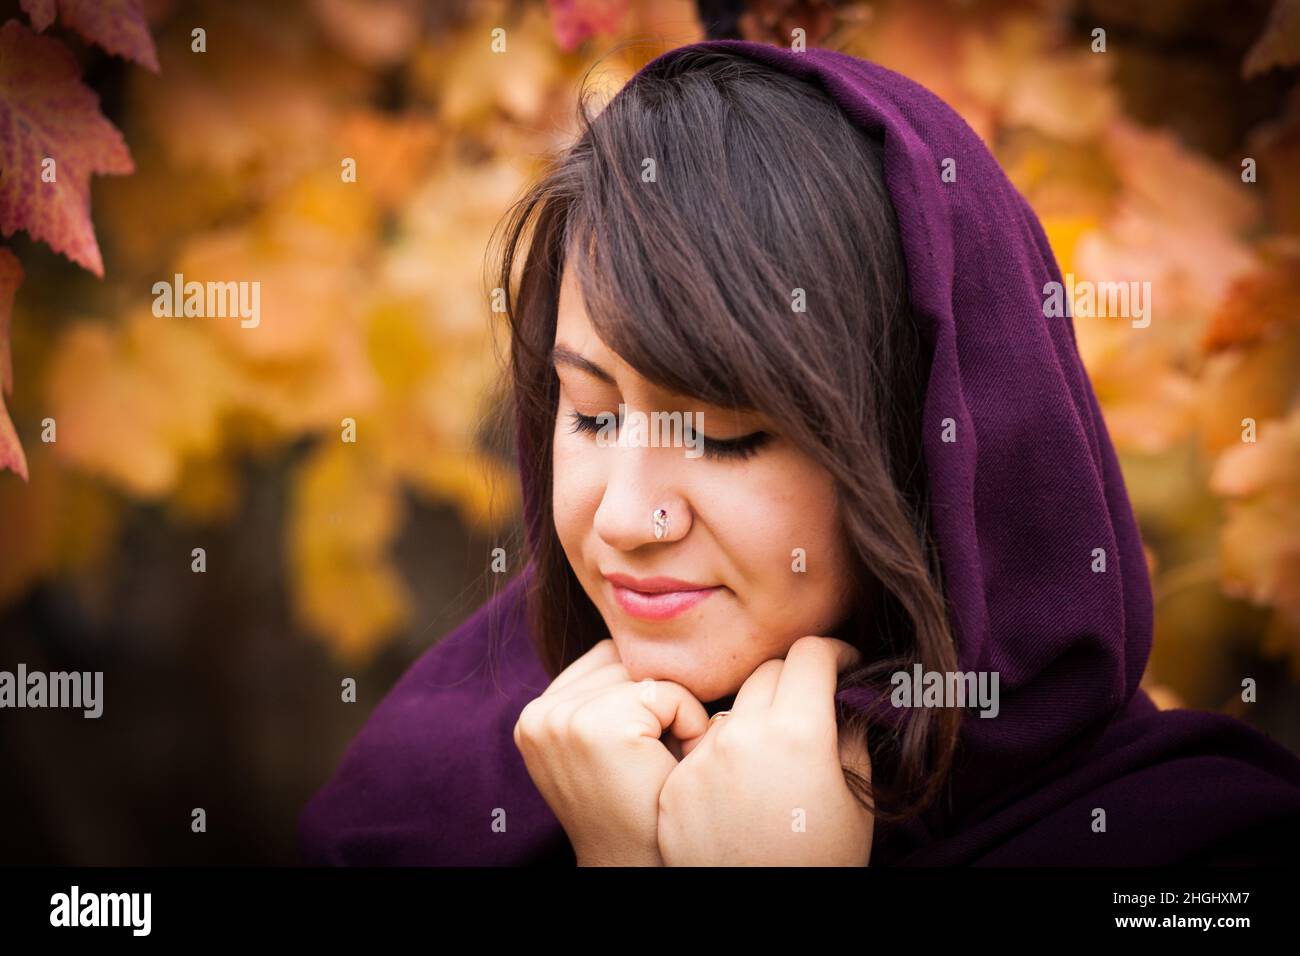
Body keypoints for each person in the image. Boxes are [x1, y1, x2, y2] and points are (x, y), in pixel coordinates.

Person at [297, 39, 1300, 866]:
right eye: (592, 416)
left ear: (921, 454)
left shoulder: (1197, 851)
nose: (619, 517)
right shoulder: (447, 789)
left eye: (727, 437)